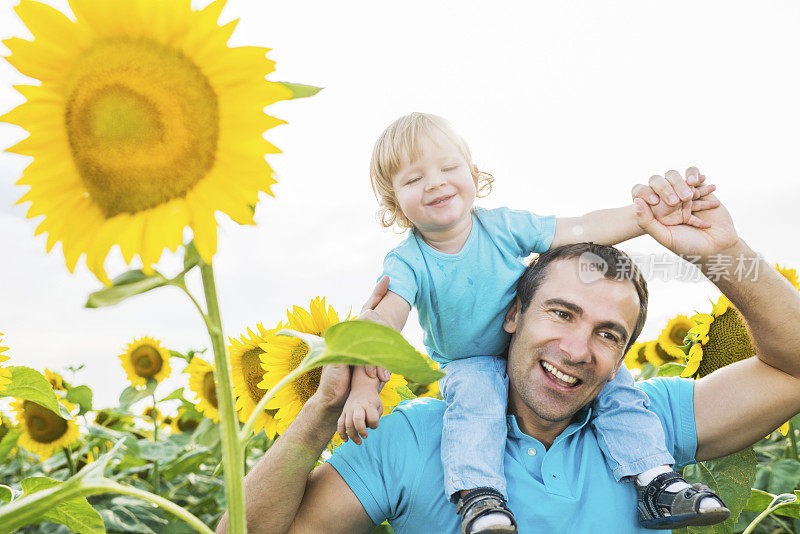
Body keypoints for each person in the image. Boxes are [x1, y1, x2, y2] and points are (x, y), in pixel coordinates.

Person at [216, 172, 800, 533]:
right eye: (562, 313)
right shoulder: (413, 440)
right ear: (514, 315)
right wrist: (325, 405)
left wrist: (723, 252)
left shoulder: (649, 420)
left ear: (624, 354)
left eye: (607, 333)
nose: (577, 349)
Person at [337, 112, 724, 532]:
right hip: (470, 361)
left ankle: (655, 483)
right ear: (395, 203)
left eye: (448, 167)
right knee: (475, 408)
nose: (434, 182)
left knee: (620, 392)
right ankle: (480, 500)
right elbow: (382, 324)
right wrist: (363, 387)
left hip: (530, 342)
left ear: (473, 174)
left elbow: (580, 227)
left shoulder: (501, 227)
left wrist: (648, 217)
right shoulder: (409, 261)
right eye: (413, 179)